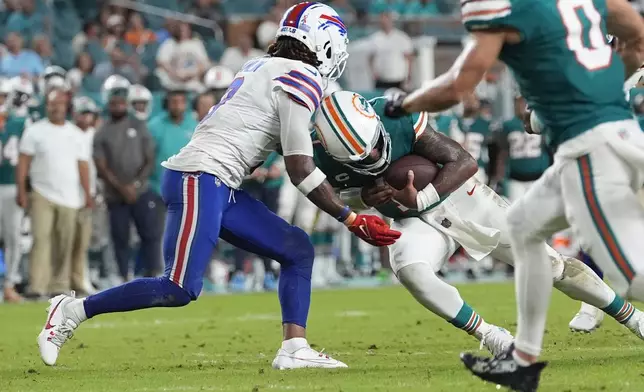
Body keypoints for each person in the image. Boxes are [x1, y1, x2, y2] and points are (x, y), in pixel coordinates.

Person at [37, 2, 398, 370]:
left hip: (216, 182)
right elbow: (300, 168)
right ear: (323, 43)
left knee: (297, 249)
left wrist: (353, 194)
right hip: (201, 178)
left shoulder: (262, 65)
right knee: (178, 287)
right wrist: (351, 217)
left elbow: (290, 151)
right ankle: (72, 310)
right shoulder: (300, 76)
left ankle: (294, 348)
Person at [382, 0, 644, 388]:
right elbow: (636, 40)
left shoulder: (505, 12)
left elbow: (458, 85)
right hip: (604, 140)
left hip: (598, 149)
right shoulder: (592, 10)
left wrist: (404, 102)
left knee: (627, 266)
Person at [314, 90, 644, 356]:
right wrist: (366, 198)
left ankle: (633, 318)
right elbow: (346, 196)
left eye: (373, 146)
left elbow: (464, 161)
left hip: (462, 198)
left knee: (550, 266)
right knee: (410, 267)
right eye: (361, 156)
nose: (373, 157)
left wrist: (423, 198)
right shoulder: (321, 157)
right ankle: (489, 335)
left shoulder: (397, 114)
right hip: (416, 222)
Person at [17, 88, 92, 299]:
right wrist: (22, 190)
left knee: (64, 241)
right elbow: (23, 163)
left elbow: (83, 166)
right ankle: (37, 285)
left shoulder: (76, 134)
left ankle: (59, 285)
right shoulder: (35, 131)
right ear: (46, 106)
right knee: (40, 238)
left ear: (66, 107)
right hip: (41, 192)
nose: (56, 107)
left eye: (60, 103)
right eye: (52, 103)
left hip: (70, 196)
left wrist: (87, 194)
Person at [92, 76, 162, 282]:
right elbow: (101, 166)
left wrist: (137, 183)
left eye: (122, 102)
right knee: (120, 238)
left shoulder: (139, 126)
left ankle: (154, 274)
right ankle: (123, 276)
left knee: (149, 234)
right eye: (114, 103)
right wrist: (122, 188)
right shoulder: (102, 132)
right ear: (108, 104)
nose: (118, 106)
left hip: (140, 191)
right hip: (115, 195)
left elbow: (149, 158)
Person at [71, 97, 101, 296]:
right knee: (71, 240)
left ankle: (86, 277)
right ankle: (74, 279)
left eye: (88, 113)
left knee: (88, 240)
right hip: (70, 192)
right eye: (82, 113)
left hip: (91, 192)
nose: (85, 117)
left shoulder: (95, 135)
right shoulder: (69, 133)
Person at [148, 89, 197, 197]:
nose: (177, 106)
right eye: (174, 102)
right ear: (167, 104)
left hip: (187, 188)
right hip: (158, 188)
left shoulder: (194, 126)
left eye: (181, 102)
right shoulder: (154, 126)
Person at [0, 108, 27, 302]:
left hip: (10, 186)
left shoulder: (19, 123)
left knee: (13, 238)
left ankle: (9, 284)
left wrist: (23, 187)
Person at [155, 22, 210, 92]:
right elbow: (161, 62)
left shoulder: (196, 43)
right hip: (173, 80)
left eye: (185, 30)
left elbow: (204, 62)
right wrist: (175, 74)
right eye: (180, 30)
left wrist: (192, 74)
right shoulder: (169, 43)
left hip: (193, 80)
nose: (182, 32)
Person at [368, 11, 413, 90]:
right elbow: (371, 58)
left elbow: (409, 58)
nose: (384, 23)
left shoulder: (402, 37)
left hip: (398, 78)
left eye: (386, 20)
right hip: (381, 78)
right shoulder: (375, 38)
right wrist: (373, 73)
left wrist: (409, 75)